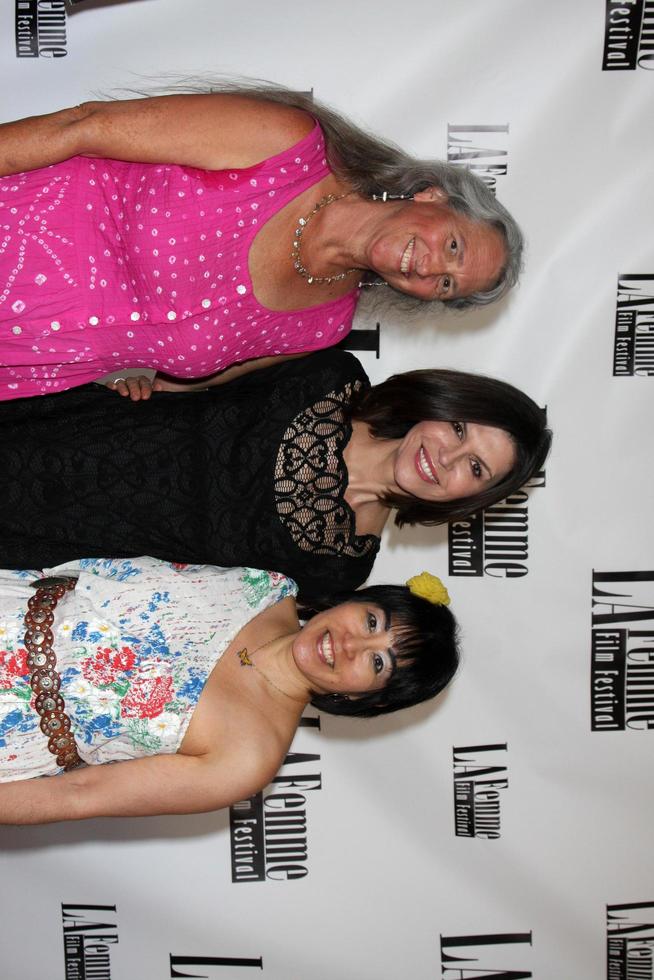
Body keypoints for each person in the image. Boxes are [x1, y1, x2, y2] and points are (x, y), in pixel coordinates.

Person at [0, 82, 523, 401]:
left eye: (447, 285)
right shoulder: (286, 146)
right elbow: (81, 126)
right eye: (452, 246)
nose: (432, 269)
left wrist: (145, 384)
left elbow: (197, 379)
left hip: (21, 362)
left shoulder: (322, 326)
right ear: (431, 197)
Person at [0, 349, 551, 598]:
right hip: (61, 431)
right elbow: (197, 375)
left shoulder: (337, 570)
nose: (447, 458)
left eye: (475, 468)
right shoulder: (333, 374)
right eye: (458, 429)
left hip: (58, 534)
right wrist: (147, 382)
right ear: (438, 403)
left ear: (470, 500)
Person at [0, 559, 458, 823]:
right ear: (356, 601)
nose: (351, 644)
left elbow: (79, 794)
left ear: (369, 699)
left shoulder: (248, 758)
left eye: (377, 663)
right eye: (372, 621)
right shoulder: (265, 585)